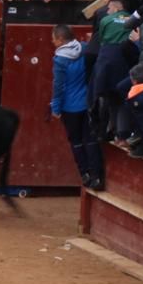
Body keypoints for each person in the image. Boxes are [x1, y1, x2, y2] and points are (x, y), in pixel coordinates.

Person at [50, 24, 102, 190]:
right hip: (87, 102)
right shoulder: (85, 48)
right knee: (91, 140)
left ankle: (85, 174)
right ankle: (97, 177)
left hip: (70, 107)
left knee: (76, 142)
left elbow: (58, 86)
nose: (52, 41)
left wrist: (56, 108)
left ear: (60, 40)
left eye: (53, 38)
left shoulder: (59, 59)